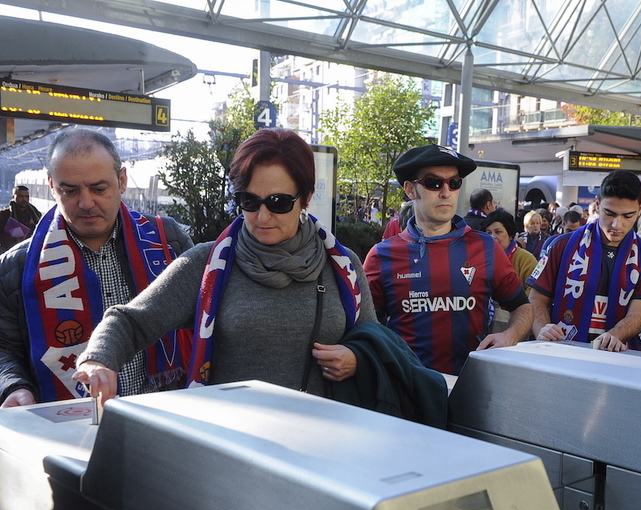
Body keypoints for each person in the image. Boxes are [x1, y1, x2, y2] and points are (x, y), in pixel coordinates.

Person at [72, 129, 378, 404]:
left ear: (306, 197)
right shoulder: (207, 264)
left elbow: (374, 341)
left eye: (279, 202)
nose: (262, 216)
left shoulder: (343, 266)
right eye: (249, 201)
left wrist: (357, 358)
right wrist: (98, 360)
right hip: (232, 436)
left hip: (325, 435)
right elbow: (131, 321)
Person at [0, 129, 193, 407]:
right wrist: (14, 387)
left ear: (122, 180)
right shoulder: (16, 267)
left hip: (164, 413)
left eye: (99, 189)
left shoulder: (168, 241)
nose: (86, 202)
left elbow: (204, 320)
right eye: (70, 191)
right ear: (52, 185)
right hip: (67, 421)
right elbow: (4, 348)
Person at [364, 144, 532, 375]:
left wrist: (510, 335)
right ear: (410, 190)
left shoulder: (485, 247)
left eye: (454, 183)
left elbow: (523, 306)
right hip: (407, 387)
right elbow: (366, 327)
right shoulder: (382, 255)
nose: (446, 192)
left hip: (471, 385)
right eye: (433, 183)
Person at [527, 169, 641, 351]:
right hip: (560, 351)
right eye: (610, 213)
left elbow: (639, 314)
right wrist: (543, 329)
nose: (617, 224)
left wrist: (615, 335)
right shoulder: (560, 246)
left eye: (627, 216)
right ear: (597, 205)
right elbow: (536, 299)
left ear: (640, 210)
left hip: (617, 355)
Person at [482, 209, 537, 336]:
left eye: (498, 232)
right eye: (488, 232)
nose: (492, 237)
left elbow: (533, 296)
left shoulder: (525, 259)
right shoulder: (479, 258)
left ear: (510, 235)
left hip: (515, 326)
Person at [1, 185, 43, 253]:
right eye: (20, 196)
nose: (24, 199)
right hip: (10, 252)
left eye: (27, 196)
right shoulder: (4, 215)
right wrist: (15, 240)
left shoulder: (36, 214)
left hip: (31, 250)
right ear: (13, 197)